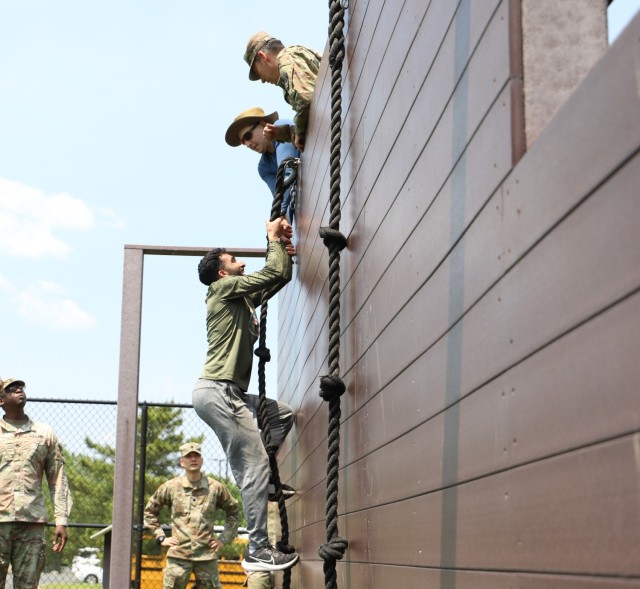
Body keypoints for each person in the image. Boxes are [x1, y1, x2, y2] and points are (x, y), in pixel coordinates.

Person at [192, 217, 298, 573]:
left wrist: (280, 247)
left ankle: (265, 484)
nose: (242, 264)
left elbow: (278, 275)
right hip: (218, 392)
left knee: (280, 415)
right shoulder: (222, 291)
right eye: (235, 261)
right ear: (223, 274)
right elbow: (270, 274)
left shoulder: (240, 299)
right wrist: (272, 238)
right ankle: (256, 551)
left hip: (230, 393)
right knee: (250, 465)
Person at [0, 377, 72, 589]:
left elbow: (58, 478)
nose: (19, 390)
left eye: (21, 387)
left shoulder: (44, 433)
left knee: (28, 586)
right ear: (1, 399)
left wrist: (62, 520)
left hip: (31, 523)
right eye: (11, 389)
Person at [143, 442, 240, 589]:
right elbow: (149, 511)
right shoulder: (171, 487)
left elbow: (233, 512)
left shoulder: (215, 488)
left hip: (206, 556)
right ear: (182, 462)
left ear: (202, 460)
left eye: (196, 456)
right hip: (178, 556)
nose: (193, 459)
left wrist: (223, 539)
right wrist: (161, 536)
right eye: (188, 456)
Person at [244, 32, 321, 151]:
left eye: (259, 74)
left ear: (263, 57)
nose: (263, 81)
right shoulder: (288, 76)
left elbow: (306, 99)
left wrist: (299, 131)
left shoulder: (287, 58)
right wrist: (281, 133)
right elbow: (311, 115)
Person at [225, 107, 300, 222]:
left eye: (247, 136)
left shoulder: (281, 126)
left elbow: (288, 172)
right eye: (243, 142)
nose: (247, 144)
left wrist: (280, 216)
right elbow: (278, 197)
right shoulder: (264, 168)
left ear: (263, 124)